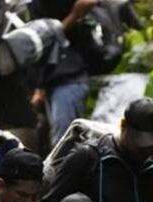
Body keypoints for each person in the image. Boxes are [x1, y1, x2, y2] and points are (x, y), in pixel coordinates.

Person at [30, 0, 95, 147]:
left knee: (65, 139)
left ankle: (61, 169)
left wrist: (75, 14)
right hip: (52, 78)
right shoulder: (37, 7)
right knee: (60, 136)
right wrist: (39, 87)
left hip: (70, 77)